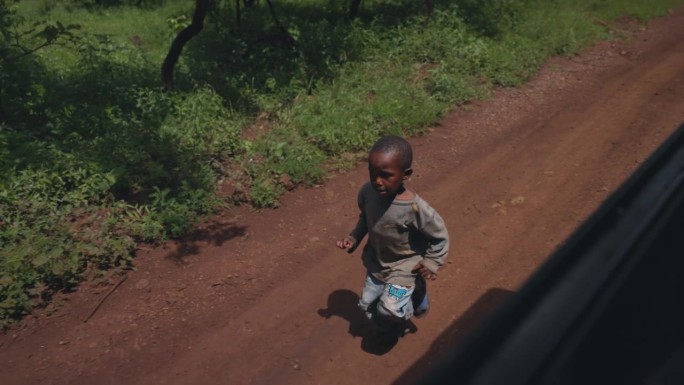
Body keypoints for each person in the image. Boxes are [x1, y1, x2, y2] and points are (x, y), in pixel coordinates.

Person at [336, 135, 449, 343]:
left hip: (406, 267)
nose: (378, 181)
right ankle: (391, 325)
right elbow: (366, 219)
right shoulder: (367, 193)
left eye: (386, 175)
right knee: (367, 304)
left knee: (389, 307)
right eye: (373, 173)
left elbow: (440, 236)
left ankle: (410, 299)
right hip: (378, 263)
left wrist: (431, 262)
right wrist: (353, 238)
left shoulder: (415, 208)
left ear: (405, 175)